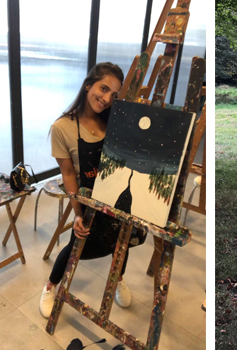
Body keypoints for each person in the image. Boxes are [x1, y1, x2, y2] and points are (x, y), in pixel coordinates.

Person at [40, 62, 131, 318]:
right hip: (88, 199)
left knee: (119, 239)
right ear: (88, 84)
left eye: (113, 95)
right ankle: (50, 287)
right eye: (103, 89)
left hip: (115, 194)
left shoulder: (113, 122)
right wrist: (78, 214)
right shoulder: (62, 128)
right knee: (75, 246)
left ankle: (118, 279)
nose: (105, 99)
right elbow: (69, 174)